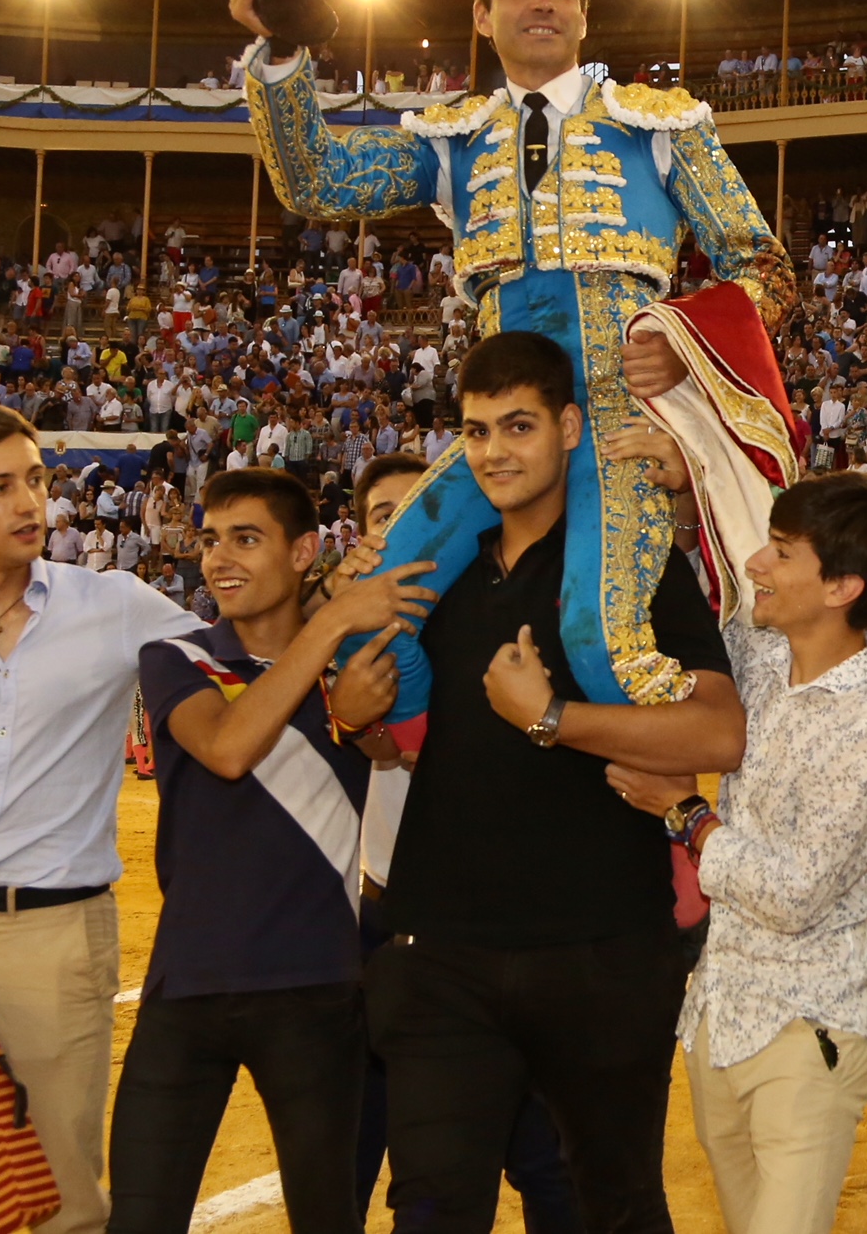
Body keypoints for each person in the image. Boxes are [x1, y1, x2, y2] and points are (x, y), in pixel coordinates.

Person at [230, 0, 796, 750]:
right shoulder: (453, 139)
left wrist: (685, 341)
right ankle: (439, 775)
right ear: (484, 16)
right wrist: (279, 47)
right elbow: (317, 180)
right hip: (498, 421)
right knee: (366, 613)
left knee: (602, 646)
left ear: (583, 14)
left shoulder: (658, 125)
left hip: (615, 416)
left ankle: (679, 808)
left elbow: (765, 268)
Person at [347, 332, 742, 1231]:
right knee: (433, 1207)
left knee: (611, 1205)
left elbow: (721, 729)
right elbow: (393, 744)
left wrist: (552, 717)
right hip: (441, 945)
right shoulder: (431, 576)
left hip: (602, 943)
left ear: (569, 427)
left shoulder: (630, 562)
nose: (494, 453)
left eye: (517, 427)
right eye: (477, 432)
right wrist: (361, 712)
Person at [0, 405, 202, 1234]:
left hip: (56, 936)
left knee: (61, 1199)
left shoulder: (117, 604)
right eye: (0, 486)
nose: (32, 503)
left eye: (35, 479)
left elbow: (241, 662)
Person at [108, 470, 430, 1234]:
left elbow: (398, 746)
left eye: (246, 539)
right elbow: (225, 747)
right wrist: (328, 625)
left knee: (326, 1218)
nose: (219, 557)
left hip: (316, 991)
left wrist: (358, 715)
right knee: (140, 1219)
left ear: (304, 550)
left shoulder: (348, 671)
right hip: (185, 987)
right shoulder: (176, 657)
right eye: (212, 539)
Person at [607, 469, 867, 1234]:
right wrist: (680, 509)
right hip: (720, 1008)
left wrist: (686, 814)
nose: (757, 564)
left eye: (782, 553)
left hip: (809, 1025)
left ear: (844, 586)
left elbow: (793, 893)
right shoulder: (755, 649)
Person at [324, 451, 585, 1227]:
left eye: (422, 515)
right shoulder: (349, 630)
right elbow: (382, 745)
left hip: (515, 922)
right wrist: (349, 692)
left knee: (545, 1163)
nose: (408, 537)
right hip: (389, 919)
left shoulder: (510, 621)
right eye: (386, 520)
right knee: (365, 1148)